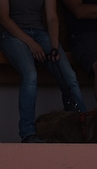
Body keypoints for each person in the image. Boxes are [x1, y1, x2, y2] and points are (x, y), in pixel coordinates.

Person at [0, 0, 87, 142]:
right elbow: (4, 18)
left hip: (40, 33)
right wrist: (31, 43)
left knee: (69, 76)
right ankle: (28, 133)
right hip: (13, 35)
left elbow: (52, 17)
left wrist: (54, 46)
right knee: (30, 75)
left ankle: (82, 124)